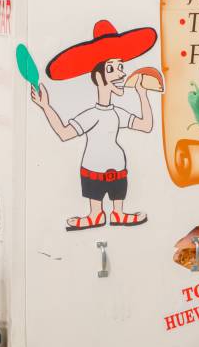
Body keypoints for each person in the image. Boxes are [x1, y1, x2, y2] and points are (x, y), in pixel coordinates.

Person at [30, 19, 161, 232]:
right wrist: (45, 106)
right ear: (99, 78)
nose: (121, 74)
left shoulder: (117, 113)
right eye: (112, 69)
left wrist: (142, 94)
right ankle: (95, 215)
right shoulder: (92, 115)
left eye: (121, 67)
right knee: (95, 198)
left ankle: (118, 212)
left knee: (118, 195)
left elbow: (146, 126)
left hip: (118, 170)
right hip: (93, 170)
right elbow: (64, 133)